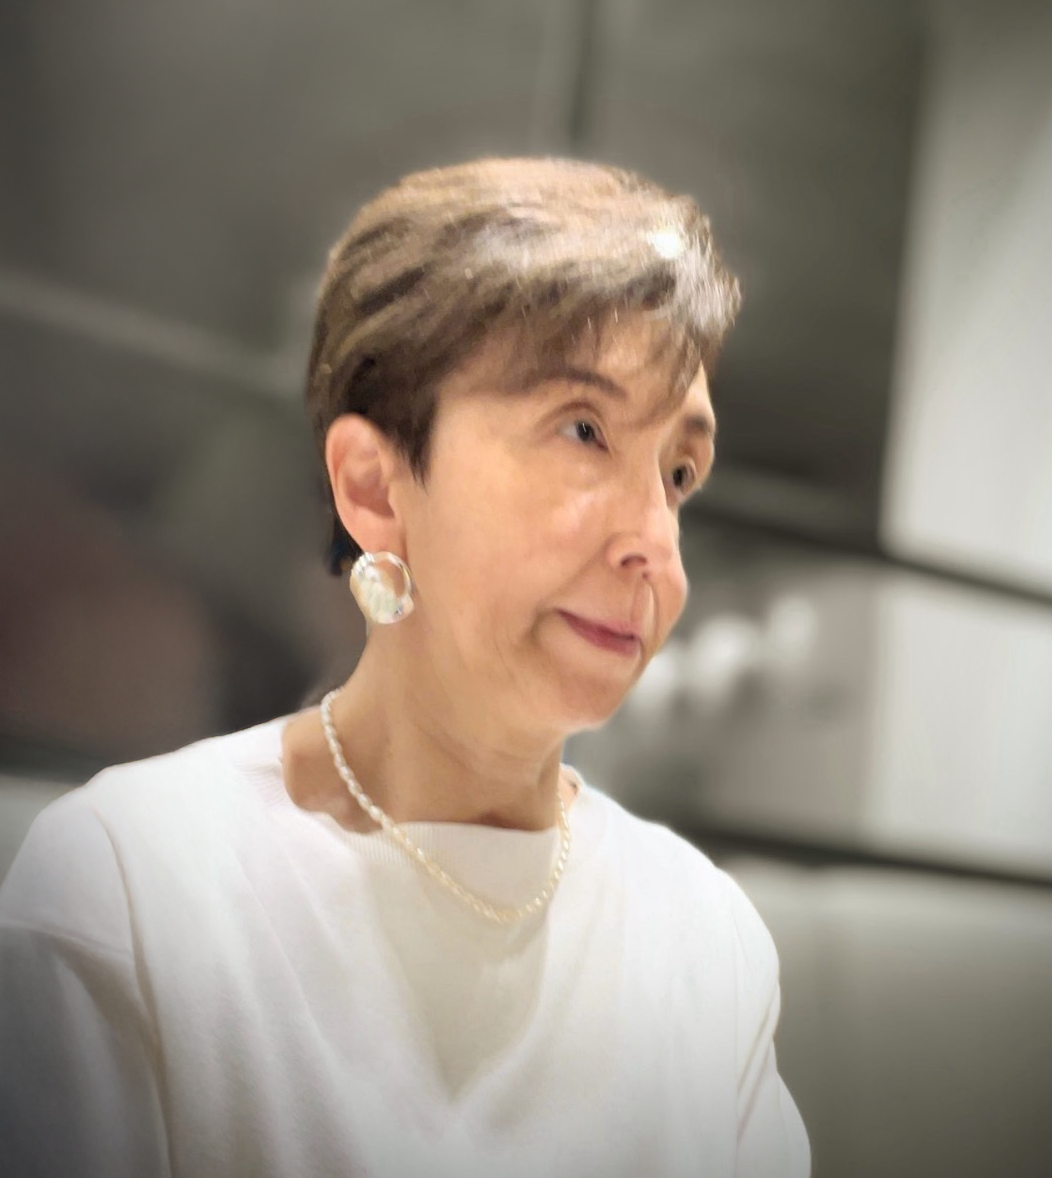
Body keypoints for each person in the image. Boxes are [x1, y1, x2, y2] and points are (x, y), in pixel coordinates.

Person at [0, 157, 810, 1177]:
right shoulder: (130, 889)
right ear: (375, 489)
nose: (655, 542)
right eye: (583, 430)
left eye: (676, 472)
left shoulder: (705, 938)